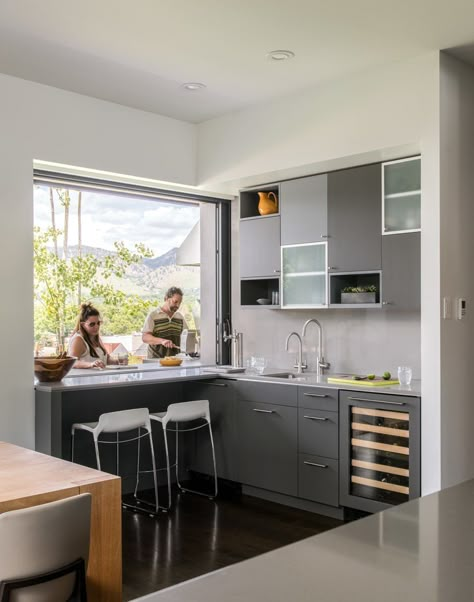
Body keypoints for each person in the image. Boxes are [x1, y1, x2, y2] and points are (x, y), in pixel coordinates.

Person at [69, 303, 119, 369]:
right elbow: (72, 362)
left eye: (98, 323)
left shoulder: (96, 338)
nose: (96, 327)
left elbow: (106, 359)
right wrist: (91, 364)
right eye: (92, 324)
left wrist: (118, 361)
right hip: (84, 378)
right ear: (83, 324)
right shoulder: (78, 339)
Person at [142, 287, 188, 359]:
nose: (178, 306)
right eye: (175, 302)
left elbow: (187, 336)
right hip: (156, 361)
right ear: (166, 298)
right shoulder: (153, 315)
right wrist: (162, 341)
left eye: (179, 303)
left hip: (175, 361)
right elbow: (145, 337)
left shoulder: (180, 317)